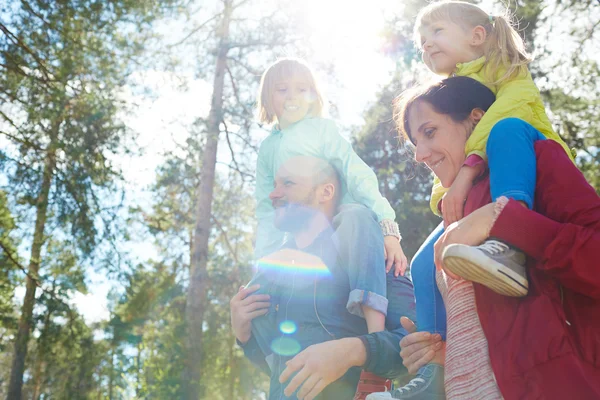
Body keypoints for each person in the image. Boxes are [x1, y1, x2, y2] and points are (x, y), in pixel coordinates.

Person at [370, 76, 600, 399]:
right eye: (414, 143)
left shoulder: (537, 159)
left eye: (430, 132)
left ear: (476, 119)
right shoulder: (454, 214)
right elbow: (499, 338)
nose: (420, 154)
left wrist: (503, 220)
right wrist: (445, 355)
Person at [395, 0, 575, 395]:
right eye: (421, 42)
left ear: (478, 36)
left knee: (507, 129)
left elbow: (501, 117)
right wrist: (451, 192)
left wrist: (467, 170)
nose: (426, 46)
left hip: (522, 157)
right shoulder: (451, 88)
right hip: (480, 179)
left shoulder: (506, 72)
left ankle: (509, 238)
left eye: (436, 33)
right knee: (426, 262)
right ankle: (432, 363)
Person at [232, 156, 416, 399]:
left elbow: (416, 341)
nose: (274, 194)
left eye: (288, 184)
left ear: (325, 192)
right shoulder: (272, 274)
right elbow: (279, 370)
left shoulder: (378, 256)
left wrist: (354, 350)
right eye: (275, 185)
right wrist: (244, 337)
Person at [254, 58, 407, 276]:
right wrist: (264, 260)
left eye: (302, 89)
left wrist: (386, 225)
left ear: (312, 97)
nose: (292, 96)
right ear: (267, 99)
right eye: (282, 89)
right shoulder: (267, 149)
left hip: (343, 225)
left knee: (382, 277)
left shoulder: (320, 131)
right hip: (303, 237)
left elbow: (354, 172)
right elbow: (267, 207)